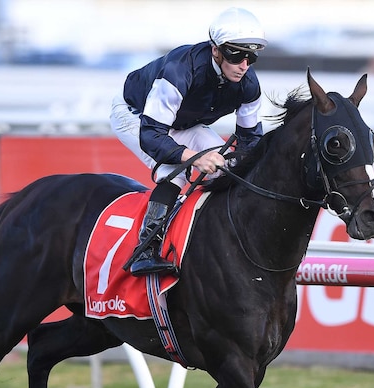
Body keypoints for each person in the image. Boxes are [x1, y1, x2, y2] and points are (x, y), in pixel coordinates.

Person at [109, 7, 267, 276]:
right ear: (215, 49)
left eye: (251, 56)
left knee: (226, 169)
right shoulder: (180, 70)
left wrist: (243, 163)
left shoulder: (249, 84)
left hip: (184, 123)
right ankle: (145, 249)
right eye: (236, 54)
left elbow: (250, 139)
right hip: (136, 116)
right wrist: (193, 157)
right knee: (176, 173)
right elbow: (151, 135)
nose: (244, 65)